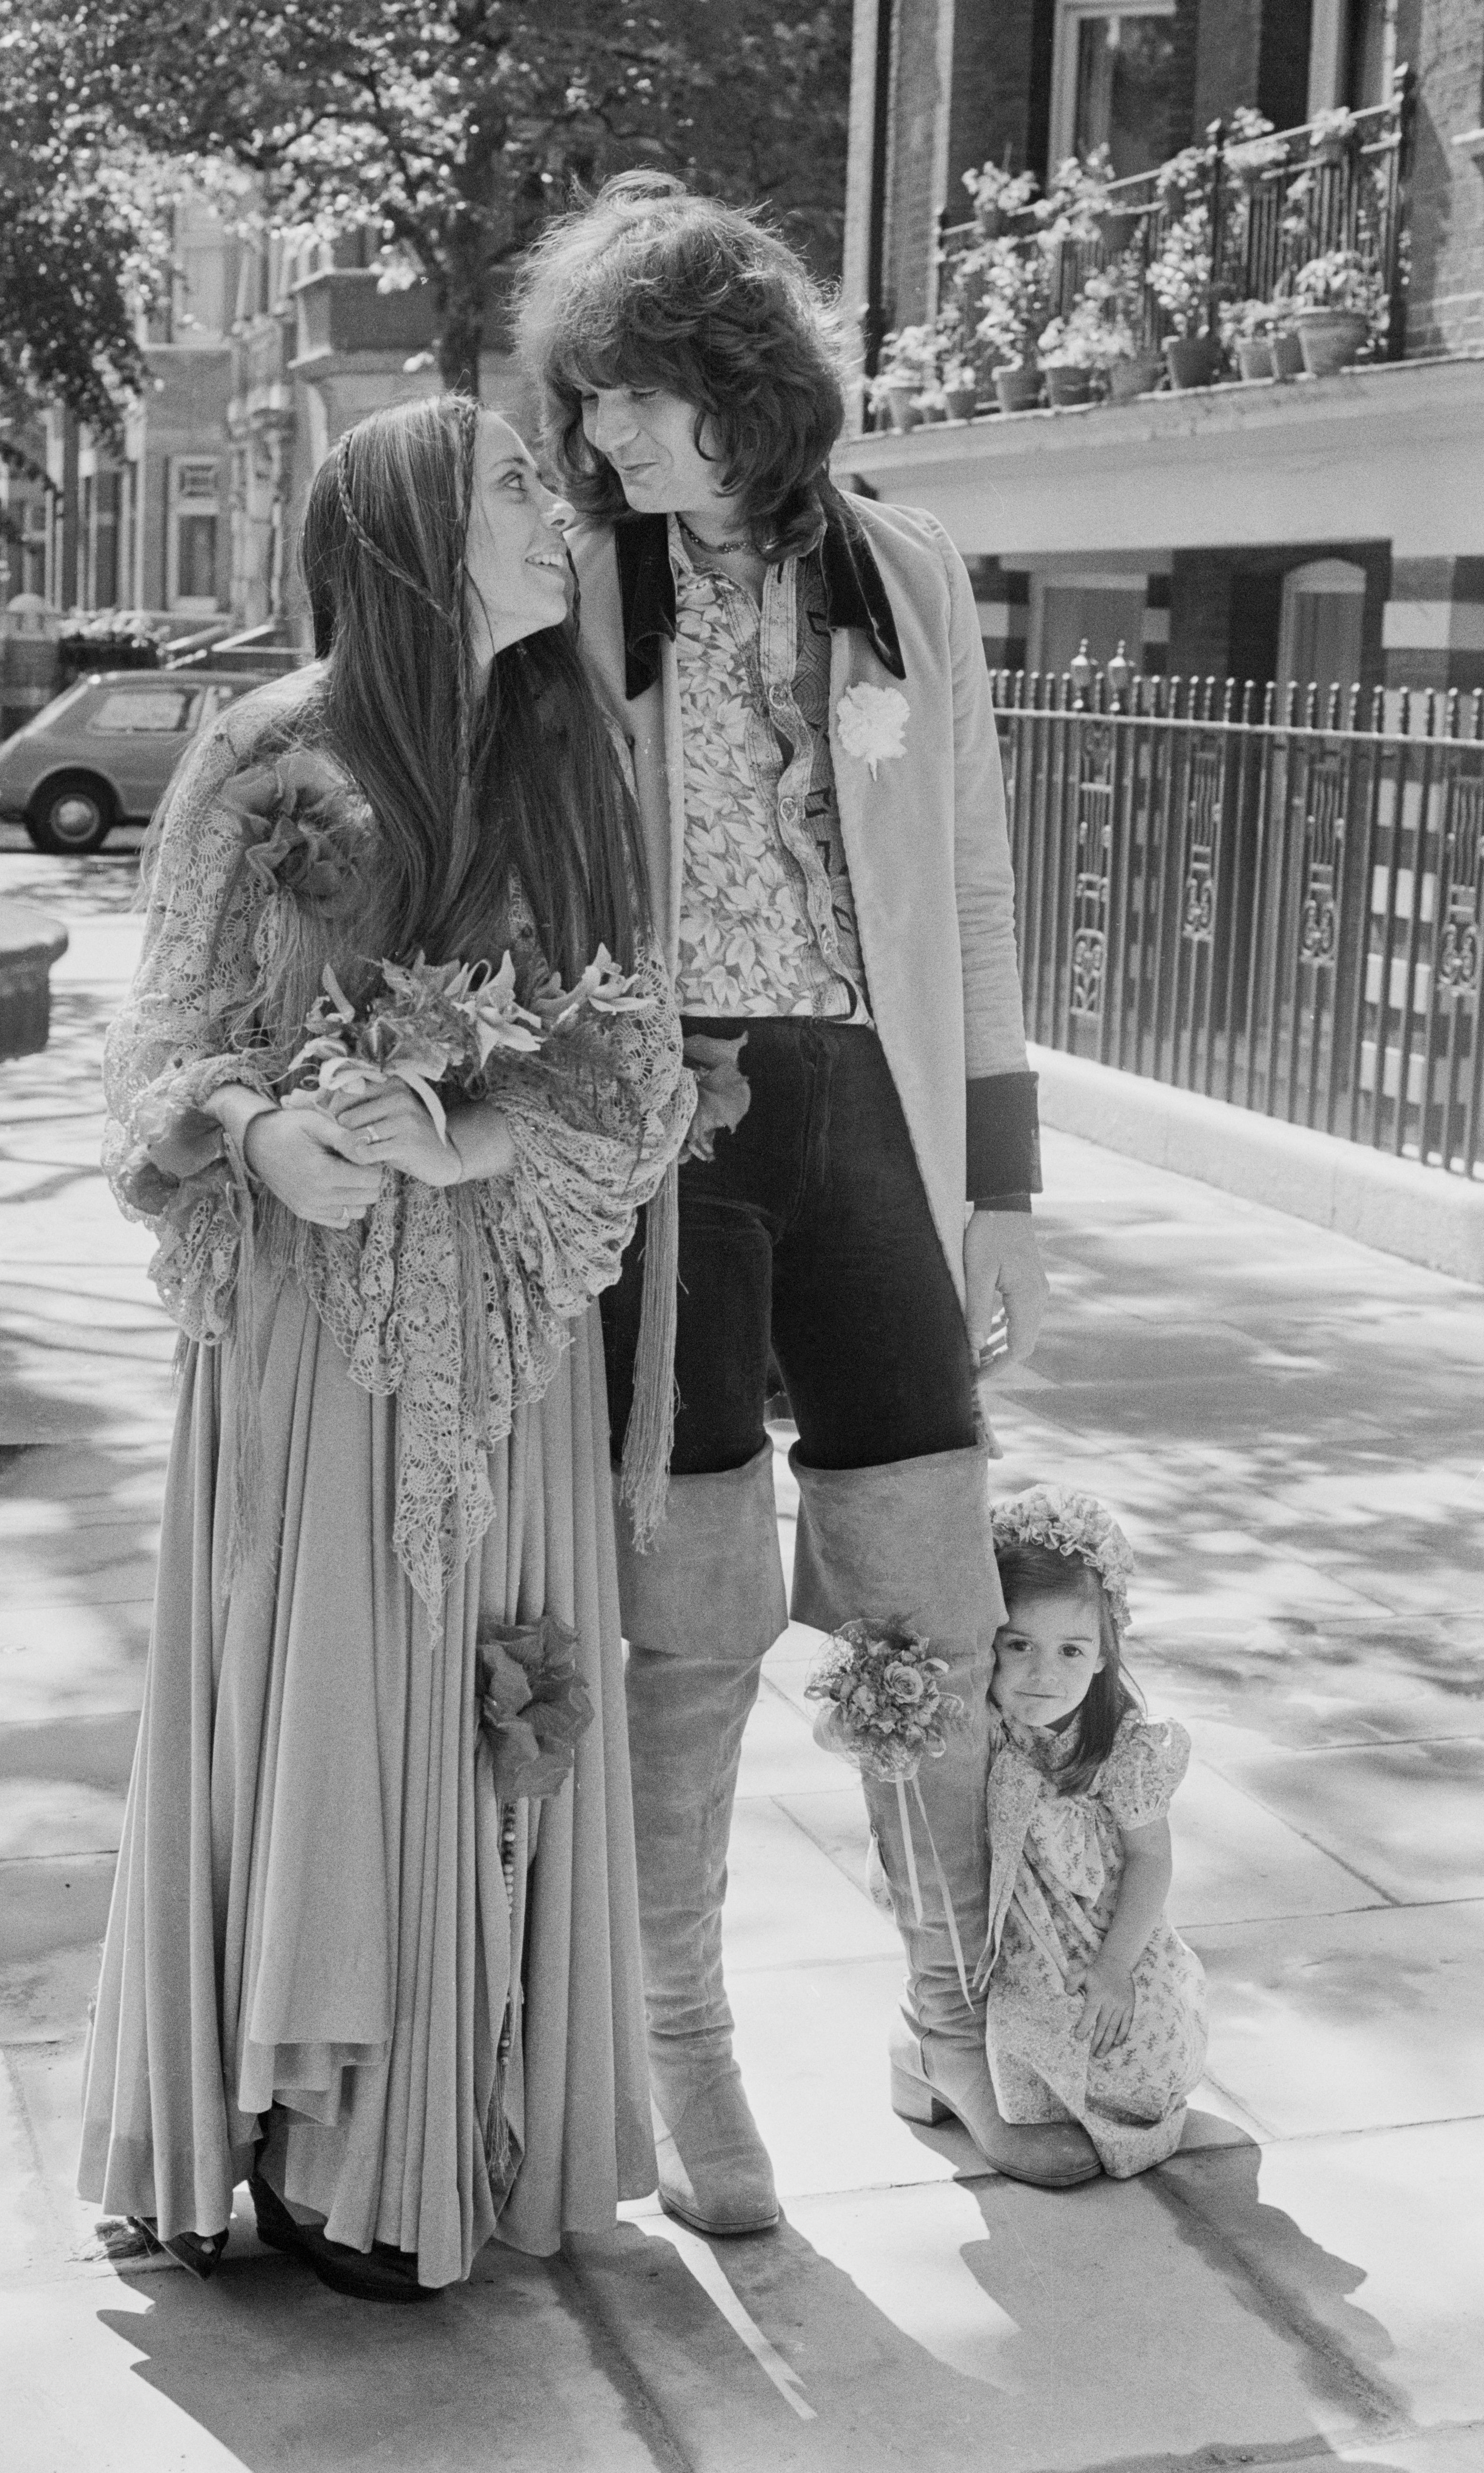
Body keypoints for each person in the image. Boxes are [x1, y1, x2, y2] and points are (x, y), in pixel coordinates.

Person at [515, 175, 1096, 2235]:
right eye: (591, 409)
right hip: (665, 1132)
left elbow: (972, 885)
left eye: (644, 403)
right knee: (687, 1612)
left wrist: (998, 1191)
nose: (610, 442)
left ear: (747, 388)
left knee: (925, 1587)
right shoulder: (583, 585)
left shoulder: (901, 577)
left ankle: (951, 2012)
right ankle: (684, 2045)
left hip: (868, 1119)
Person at [77, 394, 694, 2299]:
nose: (555, 505)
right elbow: (148, 1056)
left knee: (480, 1713)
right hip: (304, 1328)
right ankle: (288, 2126)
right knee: (315, 1697)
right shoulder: (263, 753)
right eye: (514, 480)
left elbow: (636, 1065)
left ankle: (420, 2143)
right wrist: (257, 1133)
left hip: (503, 1331)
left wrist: (477, 1130)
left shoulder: (578, 748)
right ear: (417, 531)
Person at [962, 1485, 1208, 2178]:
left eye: (1071, 1649)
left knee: (1140, 2058)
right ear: (990, 1642)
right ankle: (954, 2055)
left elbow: (1149, 1861)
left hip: (1100, 1933)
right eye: (1020, 1645)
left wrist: (1113, 1968)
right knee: (1050, 2031)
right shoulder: (980, 1722)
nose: (1044, 1673)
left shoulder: (1118, 1748)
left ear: (1104, 1654)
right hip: (1007, 1932)